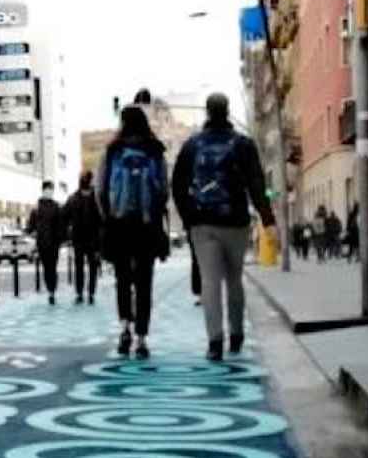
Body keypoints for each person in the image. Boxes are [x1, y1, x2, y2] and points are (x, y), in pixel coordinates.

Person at [172, 93, 276, 360]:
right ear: (228, 111)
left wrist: (188, 218)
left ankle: (214, 341)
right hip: (235, 222)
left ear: (207, 112)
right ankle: (237, 334)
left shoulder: (192, 145)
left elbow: (178, 186)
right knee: (234, 279)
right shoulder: (243, 144)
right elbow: (256, 184)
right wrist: (268, 220)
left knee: (209, 281)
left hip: (202, 224)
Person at [96, 106, 169, 360]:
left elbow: (101, 189)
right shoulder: (155, 149)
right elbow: (164, 190)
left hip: (120, 225)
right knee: (145, 281)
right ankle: (142, 338)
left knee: (123, 279)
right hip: (147, 225)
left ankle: (124, 328)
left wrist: (108, 217)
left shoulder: (112, 150)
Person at [62, 170, 102, 304]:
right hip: (80, 239)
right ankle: (81, 293)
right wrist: (67, 232)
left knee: (91, 268)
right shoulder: (76, 198)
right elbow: (64, 216)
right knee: (81, 267)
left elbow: (103, 220)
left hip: (91, 239)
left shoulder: (95, 198)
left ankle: (89, 293)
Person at [25, 181, 64, 305]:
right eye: (47, 189)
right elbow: (31, 226)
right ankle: (51, 290)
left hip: (54, 243)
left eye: (51, 189)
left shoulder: (57, 206)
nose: (49, 192)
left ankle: (52, 290)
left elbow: (60, 225)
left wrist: (61, 238)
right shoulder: (36, 207)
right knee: (47, 268)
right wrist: (30, 231)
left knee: (52, 267)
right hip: (42, 243)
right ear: (43, 190)